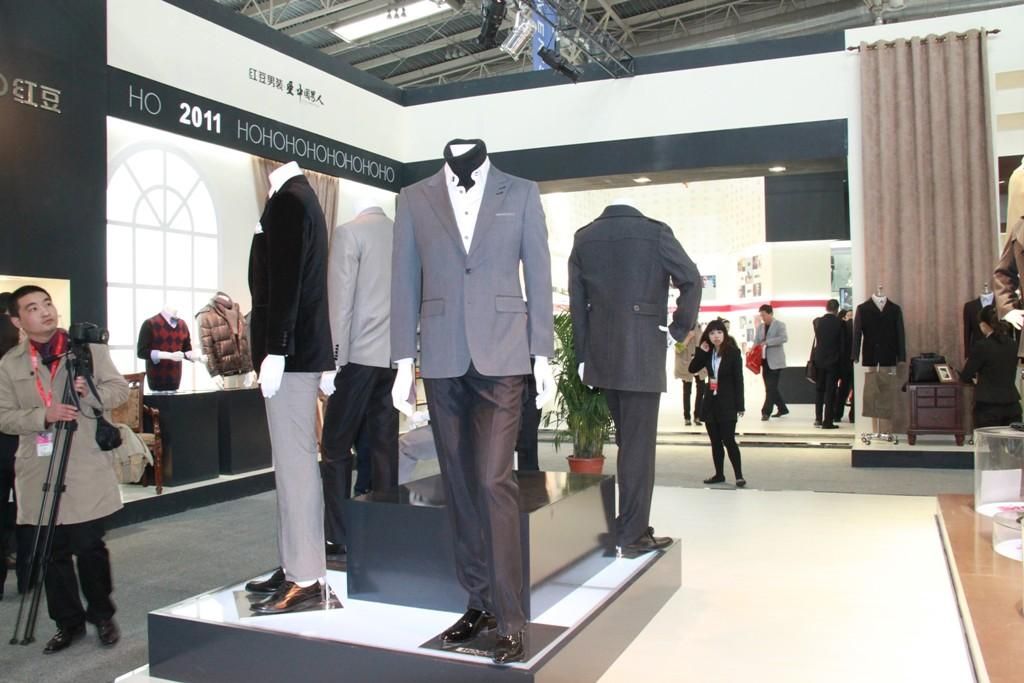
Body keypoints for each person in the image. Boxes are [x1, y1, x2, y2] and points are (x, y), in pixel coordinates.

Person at [569, 200, 702, 558]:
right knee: (638, 448)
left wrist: (583, 356)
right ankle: (632, 534)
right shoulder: (655, 233)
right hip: (642, 352)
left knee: (628, 443)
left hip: (602, 354)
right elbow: (691, 279)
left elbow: (577, 304)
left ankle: (628, 524)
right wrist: (678, 328)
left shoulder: (584, 238)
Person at [0, 285, 128, 653]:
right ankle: (67, 624)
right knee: (51, 553)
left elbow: (119, 390)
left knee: (89, 547)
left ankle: (102, 615)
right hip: (38, 469)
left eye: (47, 303)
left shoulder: (87, 349)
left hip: (84, 464)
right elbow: (4, 417)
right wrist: (44, 415)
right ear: (17, 320)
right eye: (32, 308)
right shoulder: (10, 363)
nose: (45, 311)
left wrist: (90, 393)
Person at [689, 318, 746, 487]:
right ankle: (719, 474)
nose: (716, 336)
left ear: (725, 334)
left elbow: (739, 380)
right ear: (708, 335)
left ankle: (739, 475)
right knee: (715, 441)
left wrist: (740, 405)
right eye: (712, 333)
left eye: (719, 332)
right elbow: (692, 369)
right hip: (710, 402)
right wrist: (701, 351)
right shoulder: (707, 352)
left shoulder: (733, 353)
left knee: (729, 439)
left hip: (727, 402)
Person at [961, 304, 1022, 428]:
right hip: (1012, 405)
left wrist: (975, 379)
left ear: (983, 325)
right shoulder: (1014, 345)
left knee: (989, 441)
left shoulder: (982, 346)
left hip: (987, 406)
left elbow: (966, 376)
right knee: (1011, 440)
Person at [812, 299, 843, 430]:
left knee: (819, 390)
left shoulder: (818, 322)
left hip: (819, 360)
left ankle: (818, 418)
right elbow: (842, 345)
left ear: (826, 308)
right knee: (830, 391)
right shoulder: (840, 323)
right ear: (837, 309)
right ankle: (827, 421)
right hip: (833, 361)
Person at [753, 304, 788, 420]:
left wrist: (768, 342)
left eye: (764, 315)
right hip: (764, 361)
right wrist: (752, 351)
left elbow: (784, 338)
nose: (762, 317)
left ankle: (766, 412)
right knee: (770, 387)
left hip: (776, 362)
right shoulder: (760, 327)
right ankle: (782, 408)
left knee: (771, 387)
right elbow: (757, 341)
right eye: (761, 315)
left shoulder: (780, 325)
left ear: (770, 314)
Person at [674, 322, 705, 427]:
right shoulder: (681, 329)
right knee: (687, 391)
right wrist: (688, 337)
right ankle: (687, 417)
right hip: (686, 364)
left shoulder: (699, 328)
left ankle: (698, 416)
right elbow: (678, 349)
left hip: (699, 364)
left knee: (701, 390)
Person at [834, 309, 855, 423]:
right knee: (855, 390)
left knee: (843, 390)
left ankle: (837, 414)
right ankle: (853, 415)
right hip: (855, 363)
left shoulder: (842, 327)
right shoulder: (856, 326)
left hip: (844, 364)